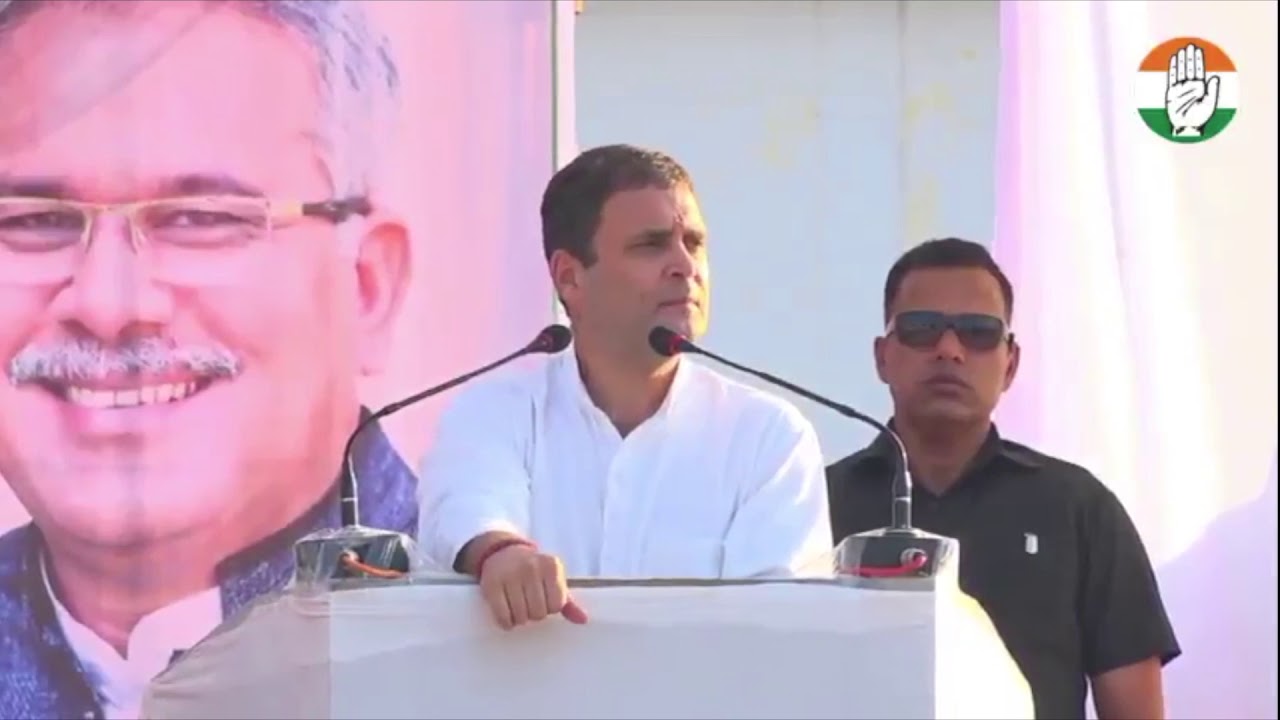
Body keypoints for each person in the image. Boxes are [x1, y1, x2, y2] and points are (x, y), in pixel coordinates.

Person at [0, 2, 416, 718]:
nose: (108, 303)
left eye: (202, 218)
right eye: (34, 220)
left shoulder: (490, 624)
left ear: (367, 289)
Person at [418, 144, 832, 630]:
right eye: (651, 245)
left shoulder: (768, 436)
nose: (685, 266)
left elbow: (777, 634)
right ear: (570, 277)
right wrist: (501, 556)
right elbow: (468, 509)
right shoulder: (494, 413)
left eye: (694, 243)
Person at [826, 238, 1181, 720]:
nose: (949, 350)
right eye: (922, 328)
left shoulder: (1079, 508)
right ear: (882, 357)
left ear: (1010, 364)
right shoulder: (816, 504)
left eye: (977, 332)